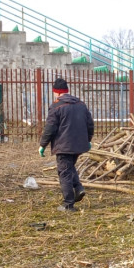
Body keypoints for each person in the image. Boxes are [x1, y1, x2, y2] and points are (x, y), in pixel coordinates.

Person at [39, 78, 94, 212]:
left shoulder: (56, 106)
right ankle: (79, 188)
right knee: (69, 167)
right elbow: (90, 124)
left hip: (64, 145)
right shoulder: (81, 104)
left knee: (64, 172)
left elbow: (50, 127)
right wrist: (88, 139)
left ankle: (68, 204)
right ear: (67, 91)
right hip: (79, 145)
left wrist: (42, 145)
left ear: (56, 93)